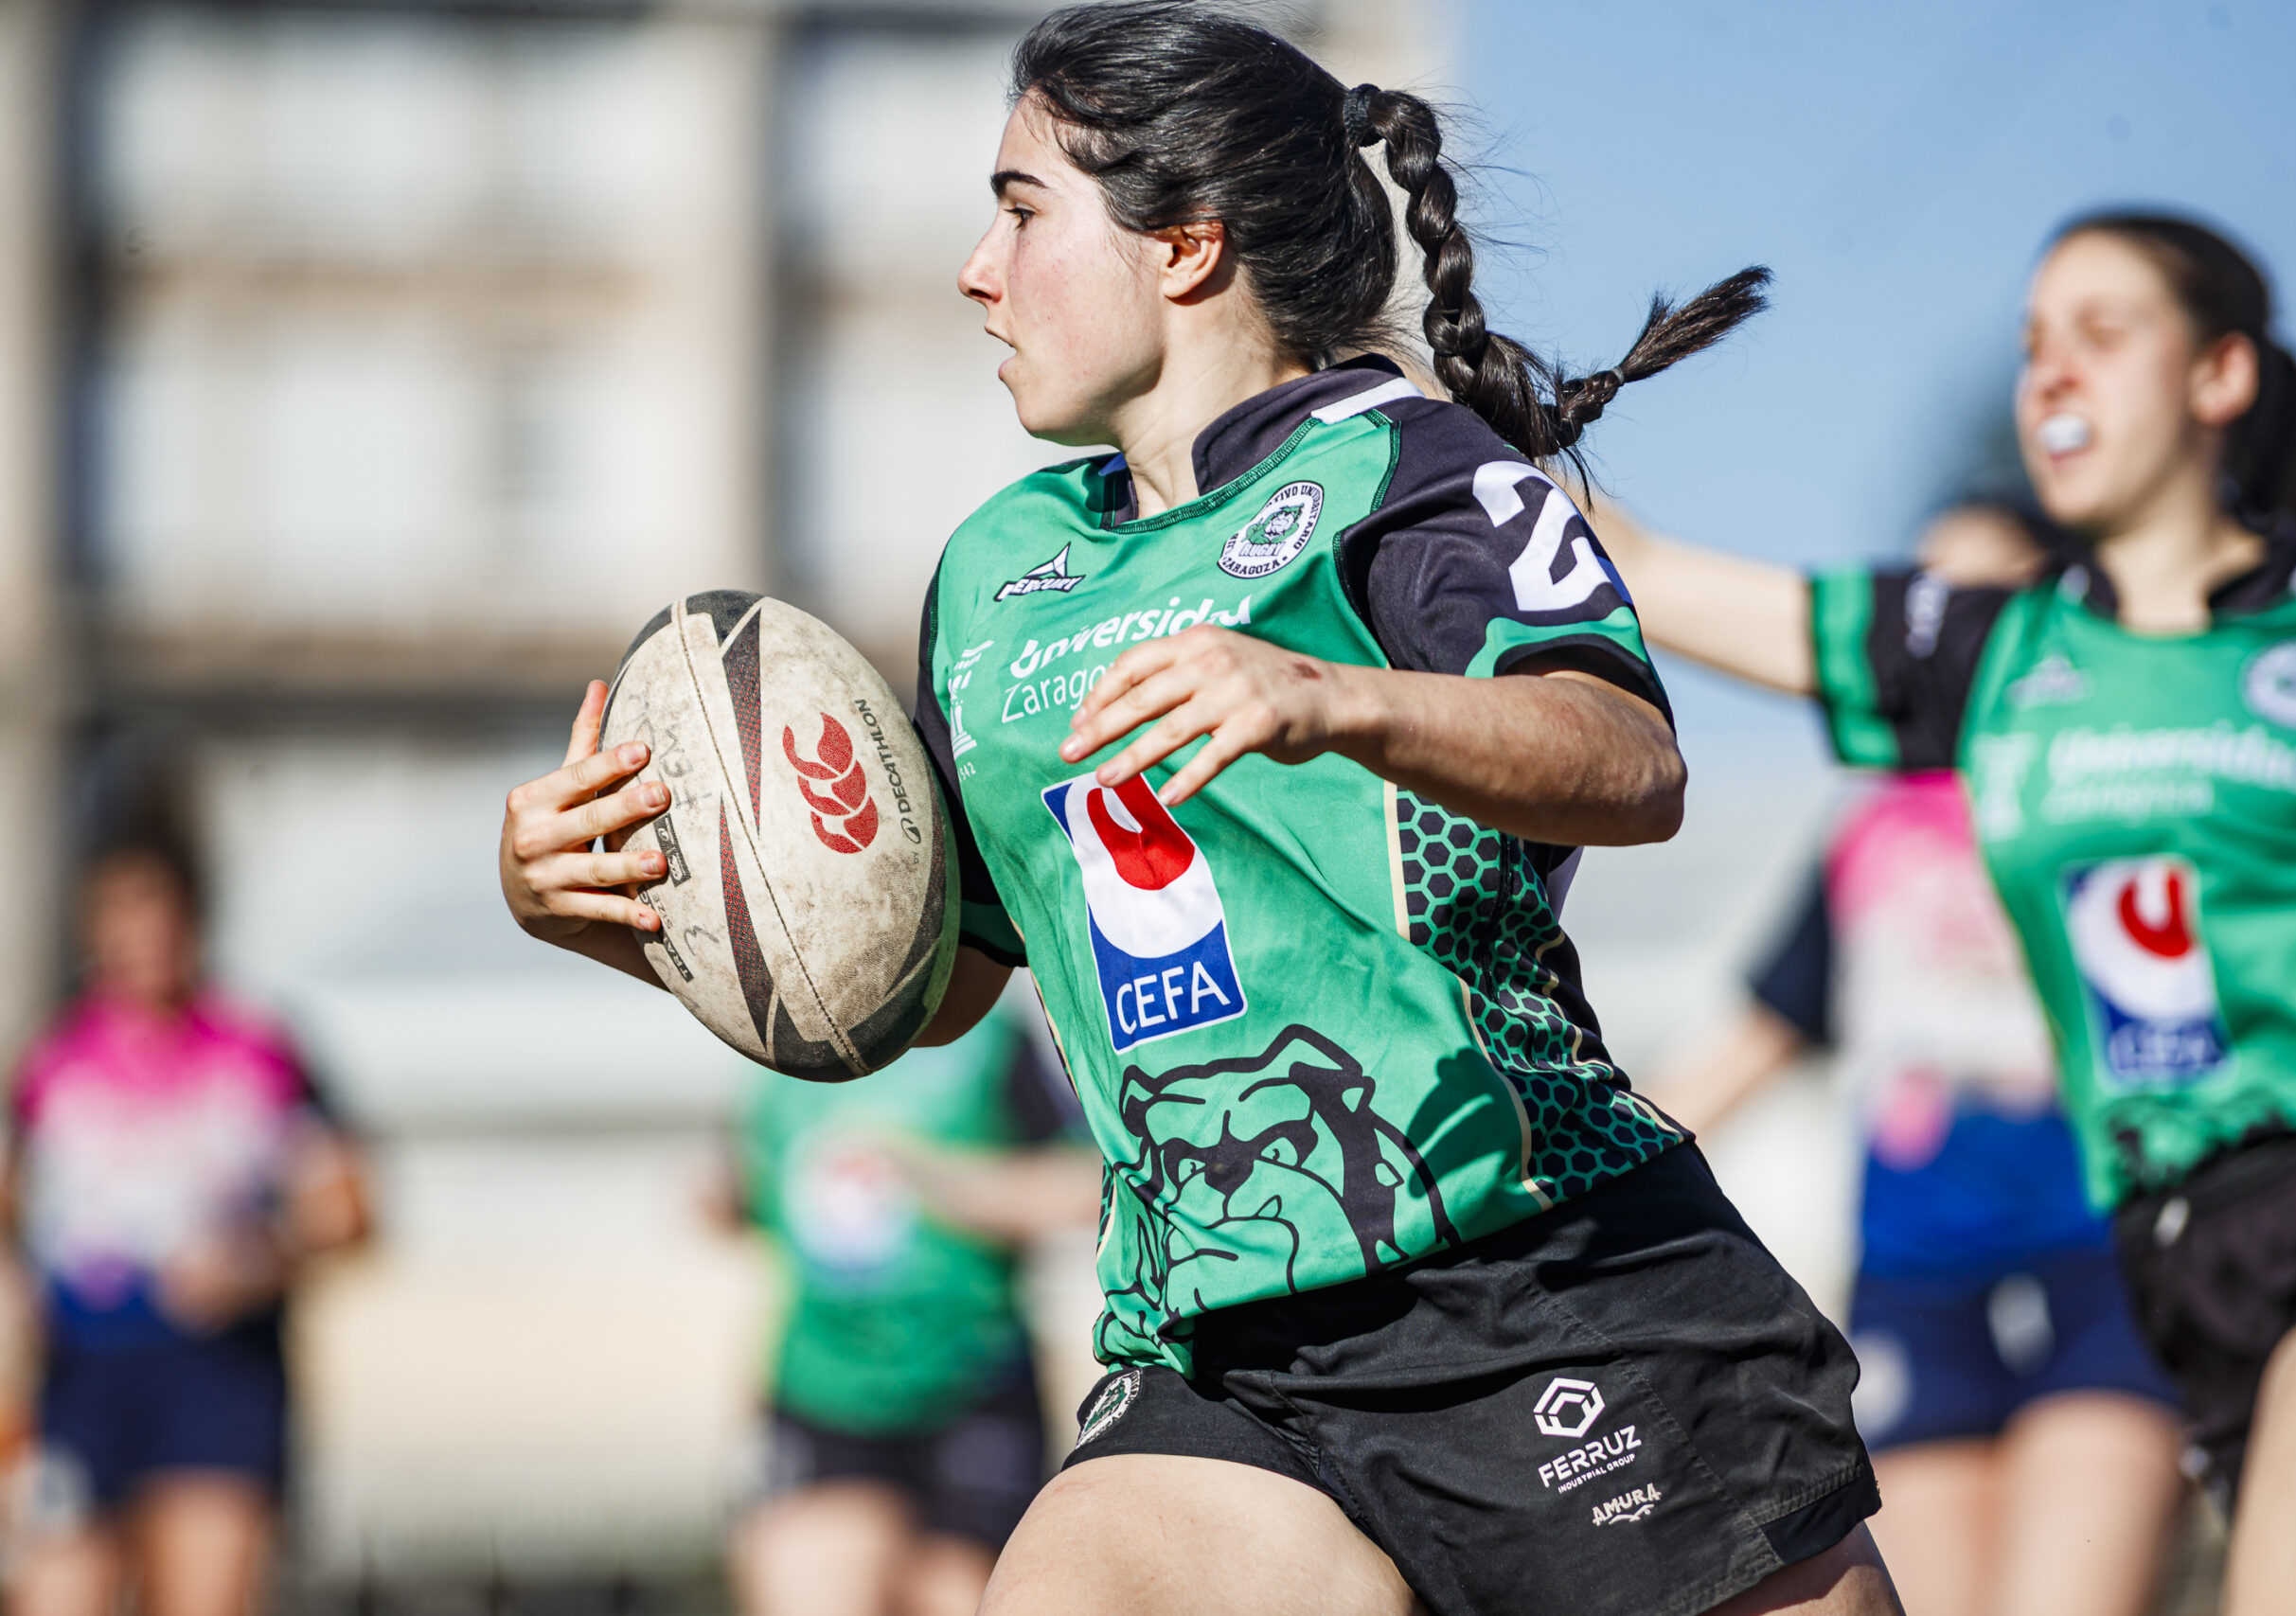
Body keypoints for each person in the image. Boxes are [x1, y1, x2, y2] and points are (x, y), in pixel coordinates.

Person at [501, 6, 1905, 1612]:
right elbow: (926, 984)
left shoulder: (1415, 472)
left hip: (1545, 1281)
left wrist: (1336, 693)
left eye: (1022, 209)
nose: (976, 266)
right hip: (1220, 1345)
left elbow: (1626, 758)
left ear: (1185, 242)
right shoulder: (998, 576)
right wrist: (612, 909)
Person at [1597, 213, 2296, 1616]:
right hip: (2171, 1238)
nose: (2051, 374)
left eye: (2104, 337)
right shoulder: (1995, 654)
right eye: (2037, 344)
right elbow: (1654, 575)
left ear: (2222, 375)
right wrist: (1433, 390)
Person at [1657, 504, 2184, 1616]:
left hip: (2100, 1261)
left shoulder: (2117, 793)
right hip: (1918, 1279)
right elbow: (1760, 1038)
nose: (1943, 626)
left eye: (1982, 594)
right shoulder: (1867, 829)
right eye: (1927, 588)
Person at [3, 845, 371, 1616]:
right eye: (120, 928)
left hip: (216, 1377)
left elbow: (347, 1210)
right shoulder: (52, 1061)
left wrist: (258, 1262)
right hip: (79, 1381)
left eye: (158, 925)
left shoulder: (259, 1052)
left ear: (191, 929)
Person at [721, 1002, 1097, 1616]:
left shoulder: (988, 1036)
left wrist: (943, 1183)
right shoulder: (772, 1043)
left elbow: (1089, 1181)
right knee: (815, 1580)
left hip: (973, 1382)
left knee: (961, 1594)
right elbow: (745, 1190)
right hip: (825, 1390)